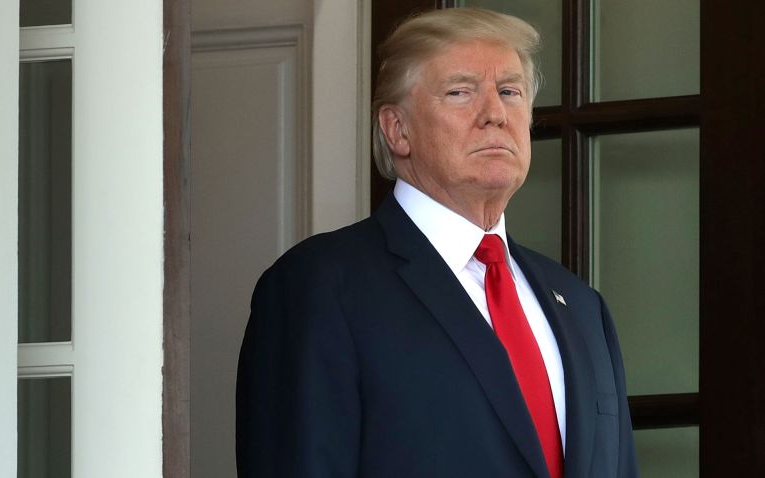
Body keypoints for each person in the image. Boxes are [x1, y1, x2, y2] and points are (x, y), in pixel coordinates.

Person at [236, 7, 638, 478]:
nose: (495, 114)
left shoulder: (583, 307)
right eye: (461, 92)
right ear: (397, 129)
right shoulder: (320, 287)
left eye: (510, 92)